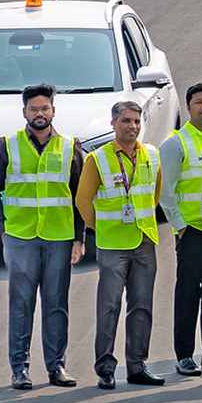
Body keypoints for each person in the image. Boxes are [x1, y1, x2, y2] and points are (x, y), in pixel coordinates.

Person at [0, 83, 84, 390]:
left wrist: (79, 238)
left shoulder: (70, 145)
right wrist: (2, 228)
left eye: (44, 108)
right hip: (20, 237)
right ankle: (20, 369)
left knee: (56, 304)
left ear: (53, 111)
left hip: (59, 237)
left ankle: (57, 367)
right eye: (33, 109)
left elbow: (79, 195)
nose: (39, 114)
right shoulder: (8, 144)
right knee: (21, 305)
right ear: (24, 112)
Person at [76, 100, 165, 388]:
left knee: (142, 306)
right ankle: (105, 367)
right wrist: (99, 226)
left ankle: (137, 365)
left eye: (137, 121)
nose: (133, 127)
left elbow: (155, 193)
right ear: (113, 124)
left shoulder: (151, 154)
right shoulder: (97, 159)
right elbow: (82, 200)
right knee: (109, 306)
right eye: (126, 121)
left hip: (144, 241)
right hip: (113, 244)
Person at [160, 82, 202, 378]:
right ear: (188, 107)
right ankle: (184, 354)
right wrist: (180, 227)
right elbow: (166, 192)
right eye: (198, 102)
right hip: (193, 231)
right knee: (188, 293)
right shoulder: (177, 143)